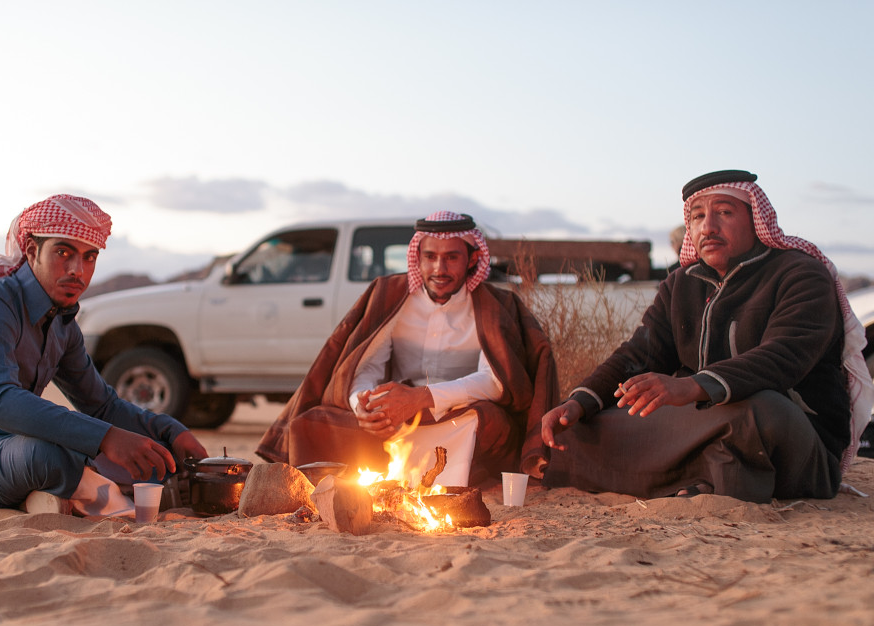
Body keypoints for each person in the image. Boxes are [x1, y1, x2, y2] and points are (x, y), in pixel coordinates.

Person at [541, 170, 874, 503]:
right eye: (698, 216)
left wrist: (691, 386)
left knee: (759, 410)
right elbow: (637, 355)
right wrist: (579, 401)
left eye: (725, 212)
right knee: (582, 429)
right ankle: (703, 477)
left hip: (793, 437)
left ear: (756, 220)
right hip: (702, 424)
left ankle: (695, 475)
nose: (708, 226)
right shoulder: (680, 284)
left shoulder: (800, 275)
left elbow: (783, 356)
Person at [0, 194, 207, 520]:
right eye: (63, 253)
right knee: (53, 452)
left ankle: (55, 499)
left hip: (12, 454)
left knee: (131, 448)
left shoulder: (61, 322)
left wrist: (172, 432)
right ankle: (118, 507)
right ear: (31, 251)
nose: (78, 270)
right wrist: (106, 437)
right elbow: (0, 401)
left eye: (89, 257)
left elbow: (102, 405)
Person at [256, 211, 559, 488]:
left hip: (458, 415)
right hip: (394, 419)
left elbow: (494, 381)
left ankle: (446, 479)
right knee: (314, 422)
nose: (439, 268)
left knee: (484, 420)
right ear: (417, 257)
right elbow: (365, 366)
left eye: (451, 257)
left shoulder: (494, 306)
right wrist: (362, 403)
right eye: (430, 257)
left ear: (472, 258)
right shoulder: (389, 296)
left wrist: (422, 399)